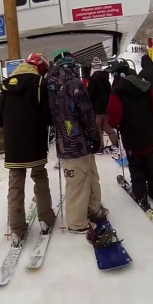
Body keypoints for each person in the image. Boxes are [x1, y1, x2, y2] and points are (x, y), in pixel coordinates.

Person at [0, 53, 55, 246]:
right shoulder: (39, 84)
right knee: (39, 177)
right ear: (40, 68)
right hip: (35, 142)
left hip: (13, 145)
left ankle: (17, 230)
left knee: (15, 184)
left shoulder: (6, 85)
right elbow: (48, 116)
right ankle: (46, 219)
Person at [47, 49, 108, 234]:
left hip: (64, 143)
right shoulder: (75, 84)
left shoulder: (48, 86)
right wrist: (95, 137)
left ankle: (94, 209)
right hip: (79, 142)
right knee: (79, 183)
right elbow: (88, 116)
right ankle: (77, 222)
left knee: (88, 176)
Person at [107, 69, 153, 208]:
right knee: (150, 162)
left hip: (130, 134)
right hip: (148, 132)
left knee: (136, 165)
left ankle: (140, 193)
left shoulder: (117, 92)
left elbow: (114, 118)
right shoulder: (147, 87)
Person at [88, 57, 119, 154]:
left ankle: (100, 147)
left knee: (98, 128)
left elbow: (91, 95)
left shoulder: (93, 79)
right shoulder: (106, 78)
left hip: (97, 109)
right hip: (107, 107)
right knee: (107, 127)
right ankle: (116, 144)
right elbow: (110, 92)